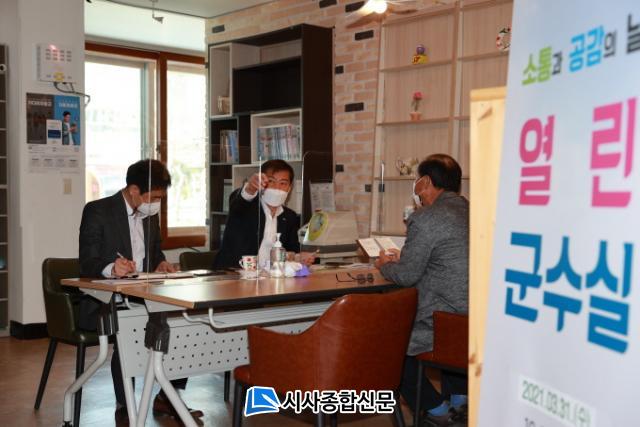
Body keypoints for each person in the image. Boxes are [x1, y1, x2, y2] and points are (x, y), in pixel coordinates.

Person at [78, 159, 202, 423]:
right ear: (134, 190)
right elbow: (87, 262)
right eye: (154, 197)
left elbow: (154, 252)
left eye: (160, 198)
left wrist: (161, 263)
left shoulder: (149, 215)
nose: (156, 203)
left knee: (184, 324)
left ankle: (167, 396)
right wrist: (112, 268)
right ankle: (125, 407)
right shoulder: (98, 211)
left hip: (146, 293)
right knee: (129, 330)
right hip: (108, 297)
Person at [375, 154, 468, 426]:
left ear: (425, 182)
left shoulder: (426, 217)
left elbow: (407, 275)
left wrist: (384, 265)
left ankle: (436, 410)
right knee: (456, 338)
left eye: (417, 182)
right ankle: (461, 404)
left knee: (388, 342)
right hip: (472, 321)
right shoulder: (476, 212)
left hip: (440, 321)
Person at [213, 159, 314, 270]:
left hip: (271, 276)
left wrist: (298, 257)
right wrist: (250, 188)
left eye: (283, 183)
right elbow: (239, 201)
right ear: (261, 182)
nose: (277, 187)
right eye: (271, 181)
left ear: (289, 188)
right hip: (233, 274)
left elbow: (290, 250)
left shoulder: (290, 217)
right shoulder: (246, 206)